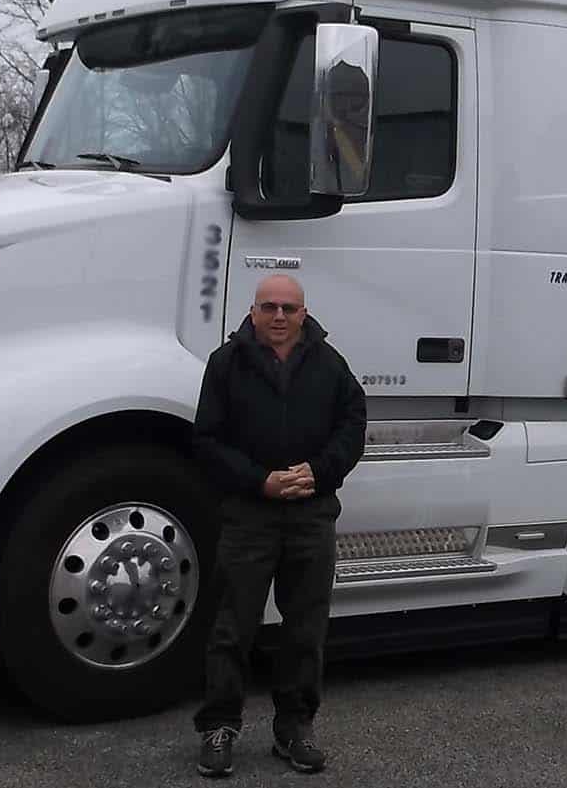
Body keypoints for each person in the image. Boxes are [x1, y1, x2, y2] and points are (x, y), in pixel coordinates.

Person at [191, 274, 366, 777]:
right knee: (232, 626)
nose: (280, 316)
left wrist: (319, 471)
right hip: (249, 515)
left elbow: (353, 425)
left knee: (305, 629)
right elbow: (207, 441)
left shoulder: (332, 367)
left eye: (290, 308)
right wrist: (259, 481)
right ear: (252, 312)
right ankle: (219, 727)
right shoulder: (225, 365)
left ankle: (295, 728)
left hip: (312, 514)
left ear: (304, 313)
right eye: (270, 307)